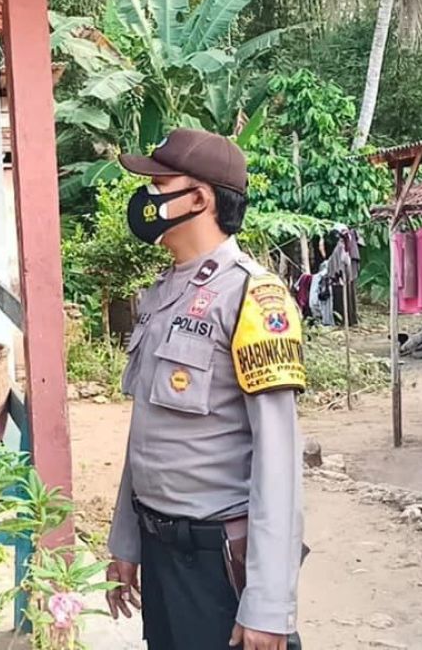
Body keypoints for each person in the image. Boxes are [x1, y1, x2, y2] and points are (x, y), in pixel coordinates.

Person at [104, 128, 305, 650]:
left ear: (199, 198)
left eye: (158, 183)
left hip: (216, 561)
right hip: (160, 552)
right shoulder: (163, 294)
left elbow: (279, 463)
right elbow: (146, 434)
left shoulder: (254, 297)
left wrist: (267, 606)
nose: (145, 197)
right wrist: (126, 542)